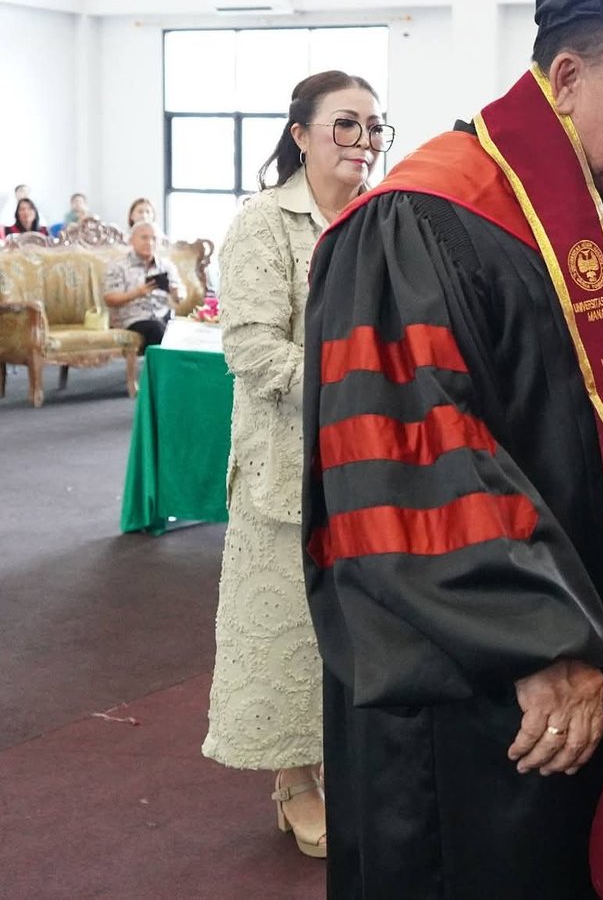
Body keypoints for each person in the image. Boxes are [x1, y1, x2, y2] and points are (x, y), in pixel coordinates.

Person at [301, 0, 603, 898]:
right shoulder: (425, 218)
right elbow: (407, 457)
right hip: (491, 681)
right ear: (567, 79)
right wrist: (538, 642)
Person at [202, 70, 390, 860]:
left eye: (373, 126)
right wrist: (354, 386)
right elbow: (250, 348)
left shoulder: (383, 219)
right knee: (288, 625)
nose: (363, 141)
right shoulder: (264, 223)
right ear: (300, 134)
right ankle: (293, 781)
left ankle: (347, 763)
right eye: (346, 124)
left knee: (360, 625)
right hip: (289, 461)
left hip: (376, 461)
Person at [102, 220, 184, 349]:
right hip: (133, 318)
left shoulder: (166, 266)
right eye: (144, 238)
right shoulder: (118, 266)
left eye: (154, 238)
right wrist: (137, 293)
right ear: (132, 240)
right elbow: (110, 299)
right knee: (157, 330)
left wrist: (176, 293)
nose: (150, 242)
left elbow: (180, 295)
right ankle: (160, 363)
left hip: (163, 315)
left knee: (184, 331)